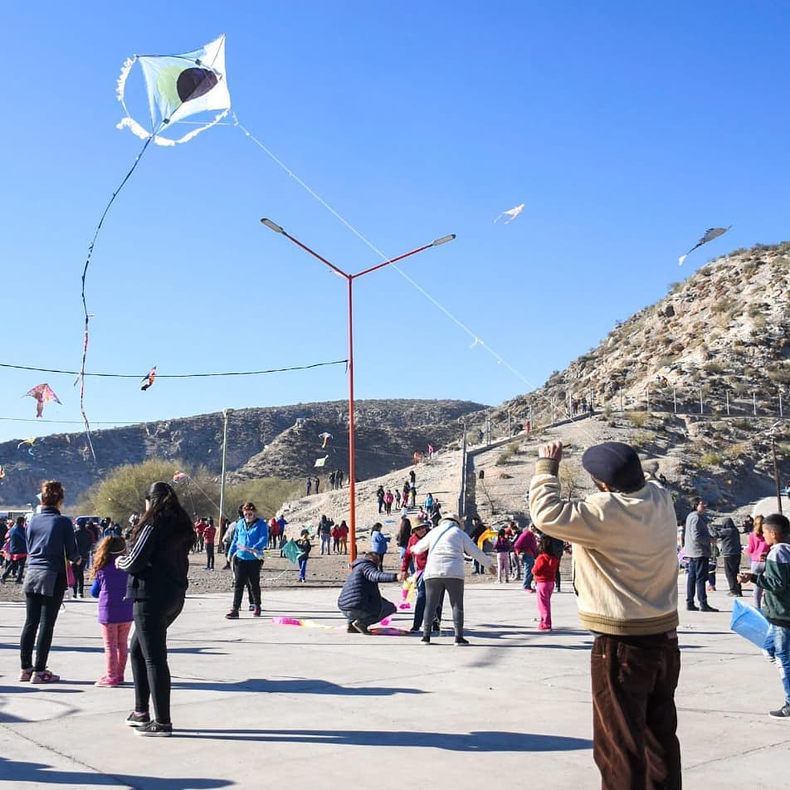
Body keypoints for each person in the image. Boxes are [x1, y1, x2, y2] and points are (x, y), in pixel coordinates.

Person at [530, 441, 681, 789]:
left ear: (604, 486)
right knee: (660, 741)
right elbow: (652, 480)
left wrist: (546, 467)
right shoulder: (660, 499)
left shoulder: (603, 511)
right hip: (665, 638)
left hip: (621, 643)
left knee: (619, 748)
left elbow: (546, 514)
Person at [117, 481, 193, 736]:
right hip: (175, 595)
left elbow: (135, 560)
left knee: (154, 658)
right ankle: (141, 712)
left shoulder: (152, 524)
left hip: (151, 596)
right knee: (137, 650)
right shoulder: (181, 525)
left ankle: (162, 722)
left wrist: (120, 561)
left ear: (151, 501)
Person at [19, 481, 81, 684]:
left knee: (30, 622)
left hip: (32, 573)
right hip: (52, 574)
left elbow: (30, 546)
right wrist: (78, 559)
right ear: (60, 500)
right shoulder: (63, 522)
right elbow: (72, 551)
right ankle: (40, 670)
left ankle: (25, 668)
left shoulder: (32, 521)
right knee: (47, 624)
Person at [410, 513, 493, 646]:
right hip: (454, 572)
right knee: (457, 605)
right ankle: (458, 638)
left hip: (433, 572)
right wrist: (489, 565)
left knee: (430, 605)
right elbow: (475, 551)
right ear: (456, 522)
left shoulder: (434, 532)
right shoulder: (460, 533)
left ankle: (426, 637)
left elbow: (419, 548)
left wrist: (413, 548)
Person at [738, 513, 790, 719]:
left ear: (774, 534)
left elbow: (778, 585)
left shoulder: (777, 553)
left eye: (765, 533)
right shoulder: (784, 550)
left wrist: (757, 580)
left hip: (782, 614)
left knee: (784, 658)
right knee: (770, 648)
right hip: (779, 614)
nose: (763, 536)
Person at [90, 535, 133, 687]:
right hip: (127, 610)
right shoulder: (128, 568)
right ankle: (120, 674)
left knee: (110, 646)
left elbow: (94, 592)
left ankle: (111, 675)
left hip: (108, 612)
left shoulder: (102, 568)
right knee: (122, 644)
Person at [225, 502, 268, 619]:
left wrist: (256, 547)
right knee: (238, 583)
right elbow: (235, 539)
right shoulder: (240, 524)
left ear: (254, 513)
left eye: (250, 514)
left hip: (254, 558)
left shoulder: (261, 524)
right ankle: (235, 608)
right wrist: (230, 553)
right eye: (245, 514)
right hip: (240, 557)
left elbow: (264, 538)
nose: (248, 516)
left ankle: (257, 605)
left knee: (253, 583)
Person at [338, 550, 398, 633]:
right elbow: (375, 575)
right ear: (373, 560)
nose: (379, 563)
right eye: (378, 561)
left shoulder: (357, 568)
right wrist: (396, 577)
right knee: (390, 608)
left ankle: (350, 625)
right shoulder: (367, 566)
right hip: (356, 607)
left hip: (344, 607)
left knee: (356, 600)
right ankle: (362, 623)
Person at [400, 522, 442, 633]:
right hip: (422, 572)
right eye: (418, 528)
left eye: (423, 527)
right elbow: (408, 555)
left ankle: (436, 624)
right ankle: (416, 625)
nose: (421, 530)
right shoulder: (412, 539)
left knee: (437, 598)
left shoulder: (433, 535)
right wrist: (404, 570)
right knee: (421, 598)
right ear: (414, 531)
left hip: (436, 570)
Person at [684, 498, 718, 612]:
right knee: (700, 578)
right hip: (699, 552)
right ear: (696, 505)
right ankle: (703, 603)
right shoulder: (696, 517)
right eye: (702, 503)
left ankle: (690, 603)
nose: (705, 505)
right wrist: (710, 540)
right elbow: (696, 536)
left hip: (693, 552)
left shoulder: (691, 516)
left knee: (692, 577)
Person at [532, 535, 560, 630]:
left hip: (542, 582)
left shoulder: (541, 557)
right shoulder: (555, 558)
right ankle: (543, 621)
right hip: (551, 582)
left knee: (542, 604)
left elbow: (535, 570)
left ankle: (546, 623)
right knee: (546, 603)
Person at [712, 517, 742, 596]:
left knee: (729, 573)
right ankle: (738, 590)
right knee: (736, 572)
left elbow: (716, 534)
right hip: (737, 554)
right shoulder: (735, 530)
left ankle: (733, 590)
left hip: (729, 555)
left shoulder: (727, 531)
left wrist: (710, 528)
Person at [746, 515, 770, 608]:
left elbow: (750, 549)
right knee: (768, 585)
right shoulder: (766, 534)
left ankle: (757, 607)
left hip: (755, 561)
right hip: (766, 560)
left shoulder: (752, 535)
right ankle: (767, 605)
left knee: (757, 587)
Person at [2, 516, 28, 584]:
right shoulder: (25, 529)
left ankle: (3, 577)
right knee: (21, 565)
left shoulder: (11, 529)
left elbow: (6, 536)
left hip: (13, 550)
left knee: (12, 564)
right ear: (22, 522)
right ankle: (18, 580)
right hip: (22, 550)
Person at [72, 519, 94, 598]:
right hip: (85, 555)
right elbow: (91, 544)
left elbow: (73, 544)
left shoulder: (75, 533)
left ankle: (74, 592)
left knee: (74, 573)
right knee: (81, 573)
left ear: (78, 525)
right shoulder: (88, 533)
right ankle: (80, 592)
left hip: (76, 556)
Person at [513, 524, 538, 592]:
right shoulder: (527, 534)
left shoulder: (531, 534)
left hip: (531, 555)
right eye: (532, 527)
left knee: (531, 571)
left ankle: (528, 585)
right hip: (527, 554)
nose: (533, 528)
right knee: (528, 570)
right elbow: (517, 544)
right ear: (529, 527)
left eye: (534, 527)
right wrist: (519, 553)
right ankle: (526, 586)